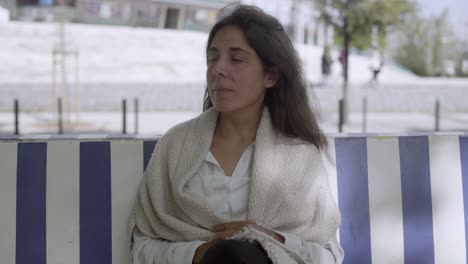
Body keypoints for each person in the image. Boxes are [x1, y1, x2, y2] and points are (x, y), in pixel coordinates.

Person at [128, 4, 343, 264]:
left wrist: (268, 239)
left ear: (271, 75)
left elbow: (328, 256)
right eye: (213, 58)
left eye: (236, 59)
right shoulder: (175, 146)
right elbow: (142, 245)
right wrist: (200, 253)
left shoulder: (299, 154)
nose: (218, 69)